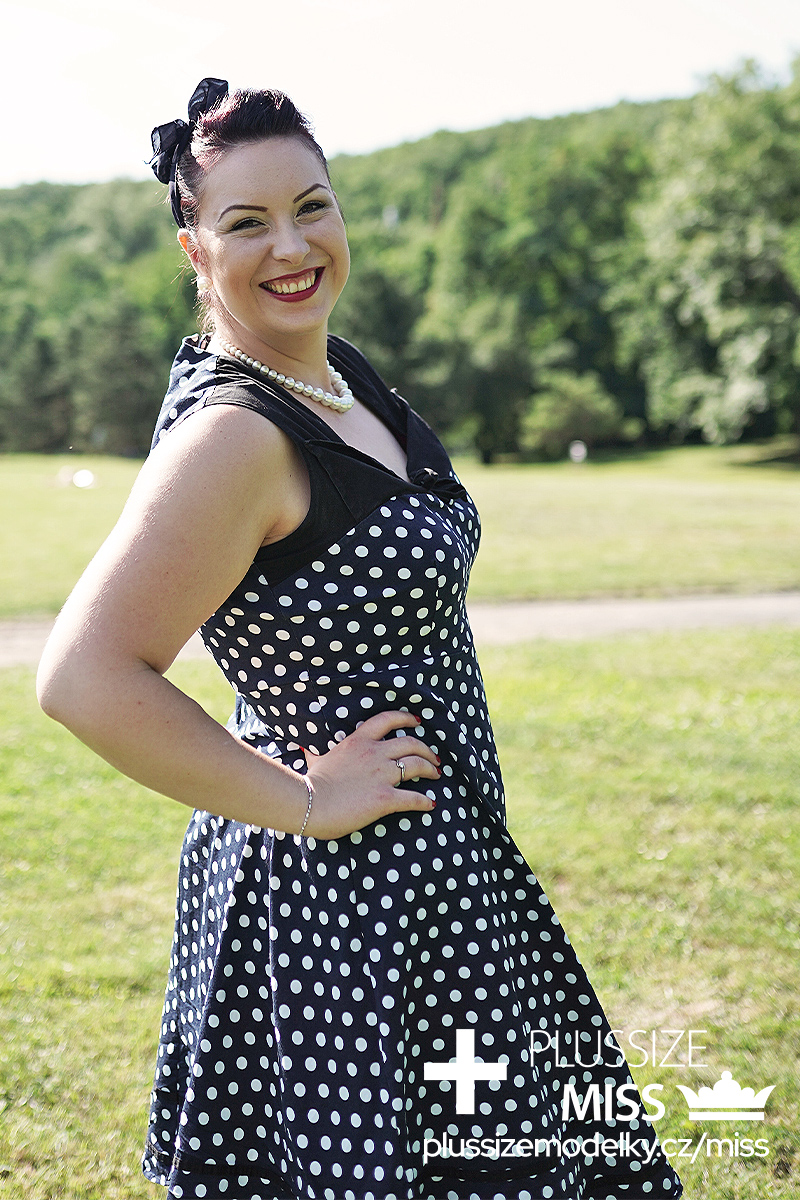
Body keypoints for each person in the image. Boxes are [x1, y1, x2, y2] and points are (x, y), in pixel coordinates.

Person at [37, 79, 683, 1200]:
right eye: (246, 223)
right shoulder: (234, 437)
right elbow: (82, 677)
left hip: (439, 863)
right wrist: (303, 798)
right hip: (344, 894)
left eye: (312, 207)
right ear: (195, 249)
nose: (291, 247)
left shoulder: (338, 381)